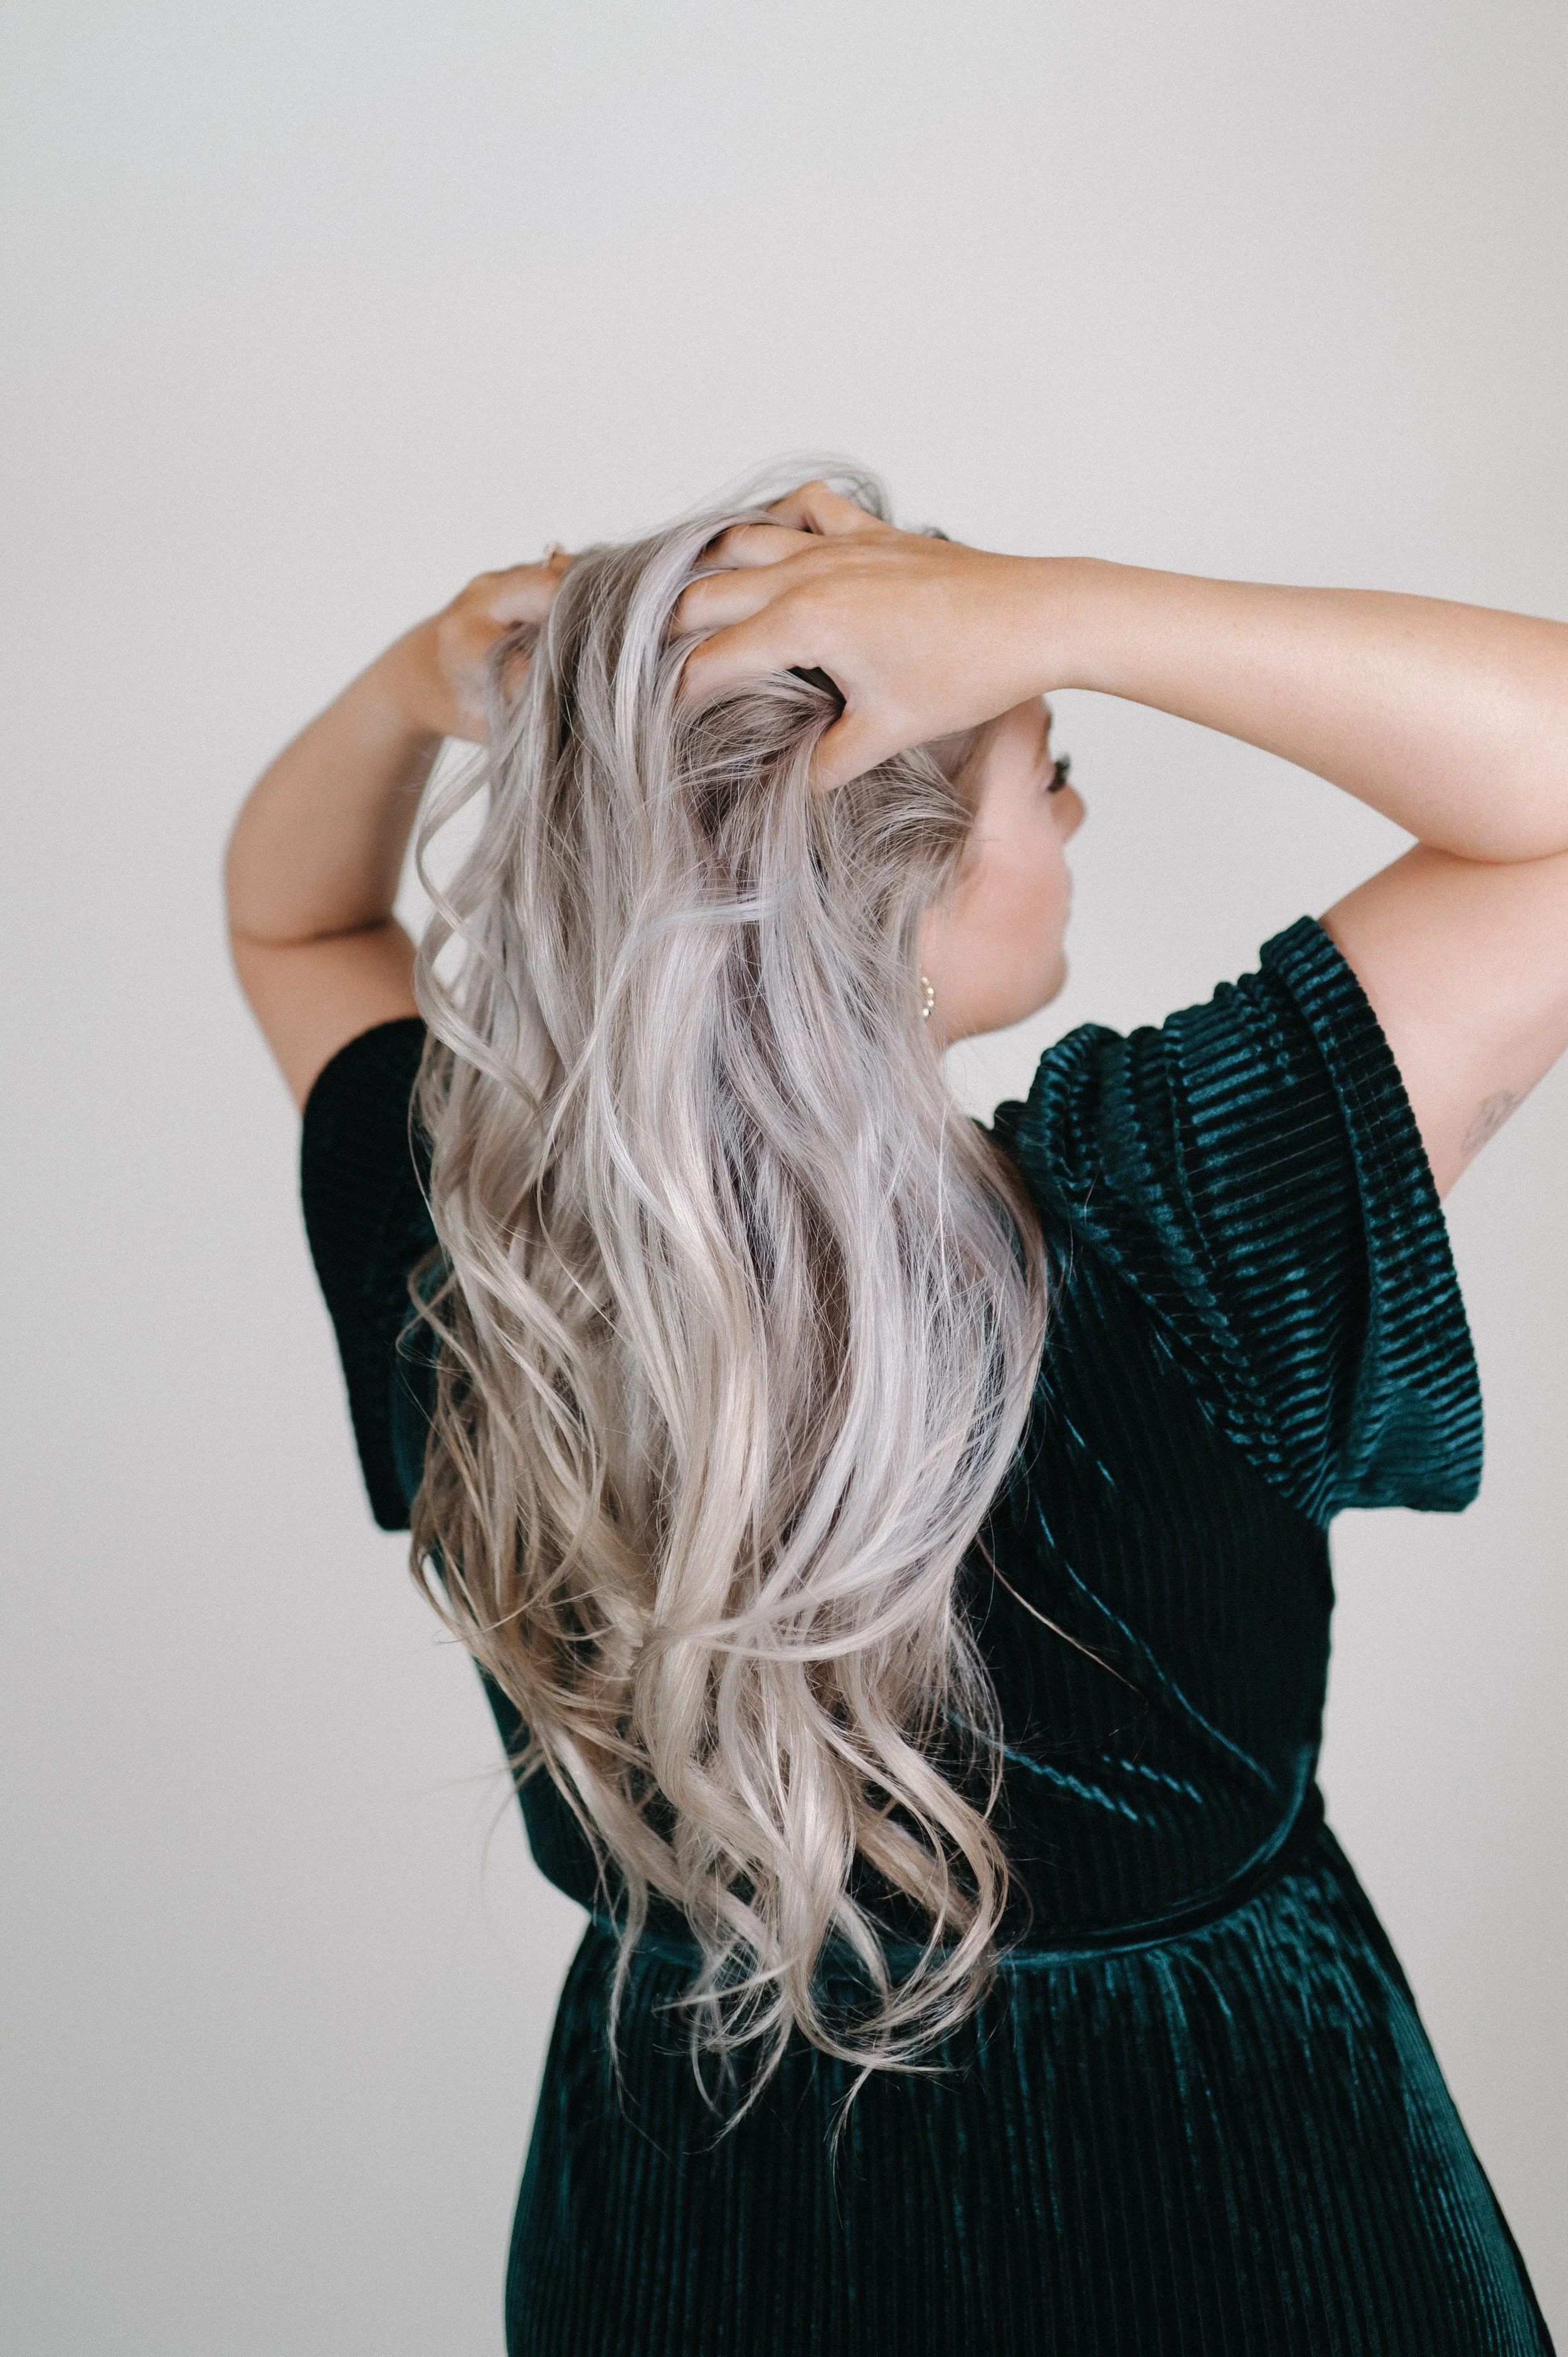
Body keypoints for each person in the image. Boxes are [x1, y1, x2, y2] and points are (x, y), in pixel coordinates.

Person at [225, 470, 1567, 2355]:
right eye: (1045, 760)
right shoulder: (1182, 1215)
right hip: (1236, 2216)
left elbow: (292, 922)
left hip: (689, 2255)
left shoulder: (494, 1265)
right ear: (898, 868)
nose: (1079, 804)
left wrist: (403, 690)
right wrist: (1054, 603)